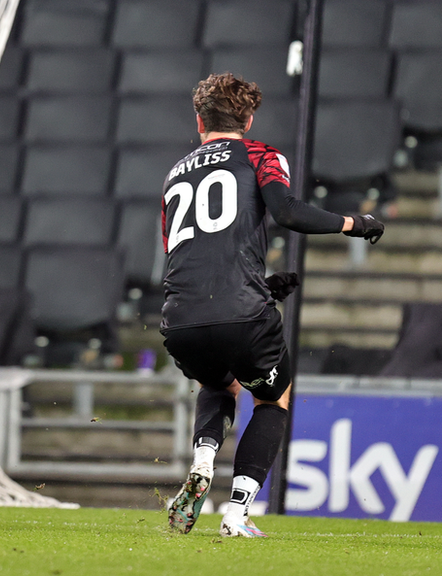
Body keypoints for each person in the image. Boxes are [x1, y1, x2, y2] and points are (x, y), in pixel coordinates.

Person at [162, 74, 384, 537]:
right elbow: (286, 212)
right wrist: (353, 223)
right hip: (242, 313)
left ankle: (203, 462)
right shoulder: (260, 154)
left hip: (180, 317)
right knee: (272, 398)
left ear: (199, 120)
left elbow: (189, 255)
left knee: (219, 385)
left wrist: (260, 285)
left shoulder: (176, 172)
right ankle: (237, 513)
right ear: (248, 117)